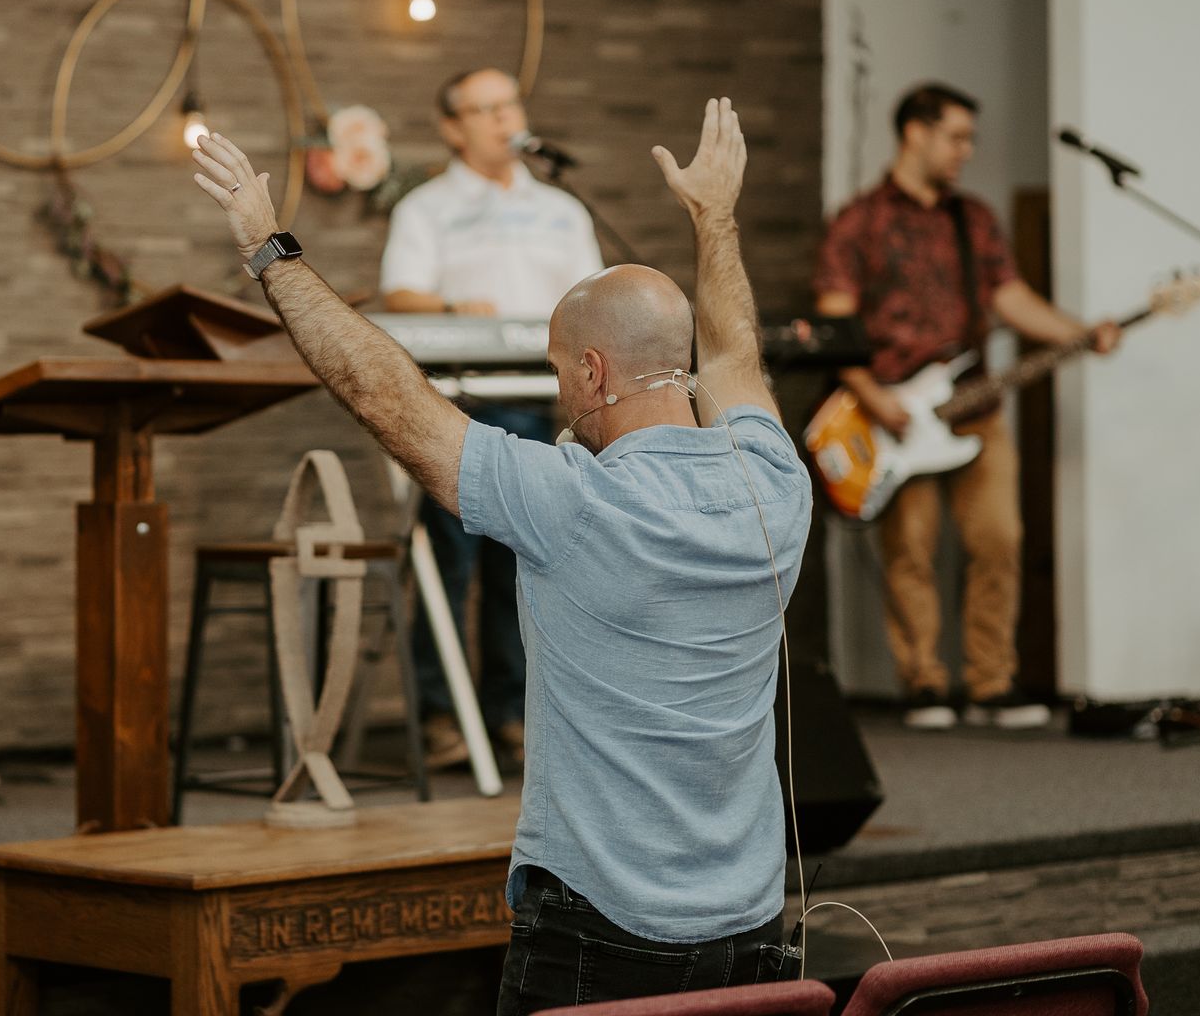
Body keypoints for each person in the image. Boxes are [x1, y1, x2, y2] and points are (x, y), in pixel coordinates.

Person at [191, 98, 809, 1010]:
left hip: (605, 933)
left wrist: (269, 248)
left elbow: (388, 399)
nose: (560, 394)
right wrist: (714, 216)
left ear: (593, 371)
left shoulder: (577, 504)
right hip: (754, 927)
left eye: (560, 372)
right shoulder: (776, 480)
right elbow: (737, 356)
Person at [815, 84, 1118, 730]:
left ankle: (990, 682)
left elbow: (1011, 298)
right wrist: (873, 397)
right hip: (894, 413)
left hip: (975, 403)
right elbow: (833, 322)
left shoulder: (973, 219)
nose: (966, 151)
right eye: (956, 137)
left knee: (1000, 539)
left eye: (969, 138)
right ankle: (924, 682)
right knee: (911, 549)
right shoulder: (859, 222)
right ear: (915, 133)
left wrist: (1079, 333)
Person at [379, 67, 604, 768]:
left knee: (529, 560)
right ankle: (442, 713)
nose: (504, 120)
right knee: (452, 561)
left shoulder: (561, 209)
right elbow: (399, 296)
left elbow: (593, 298)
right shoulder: (427, 207)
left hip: (543, 403)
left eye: (510, 105)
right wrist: (454, 310)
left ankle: (511, 712)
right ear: (453, 128)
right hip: (459, 403)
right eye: (485, 109)